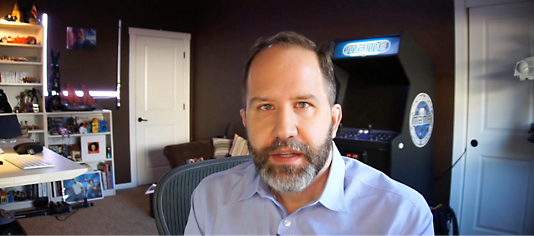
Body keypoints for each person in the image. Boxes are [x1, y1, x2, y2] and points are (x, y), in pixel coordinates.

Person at [185, 32, 434, 235]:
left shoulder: (402, 217)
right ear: (246, 121)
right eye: (266, 106)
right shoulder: (209, 198)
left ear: (334, 121)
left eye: (303, 104)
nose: (284, 130)